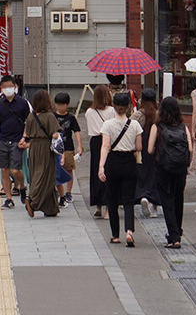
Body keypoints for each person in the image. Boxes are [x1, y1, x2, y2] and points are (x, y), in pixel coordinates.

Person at [98, 91, 143, 246]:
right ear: (128, 107)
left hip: (113, 162)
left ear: (114, 107)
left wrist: (101, 166)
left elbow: (105, 146)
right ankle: (129, 231)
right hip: (129, 162)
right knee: (129, 199)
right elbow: (139, 147)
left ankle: (115, 235)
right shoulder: (135, 125)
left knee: (112, 199)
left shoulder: (107, 125)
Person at [149, 95, 192, 249]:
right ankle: (177, 233)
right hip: (180, 169)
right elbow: (191, 148)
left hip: (163, 168)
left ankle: (173, 237)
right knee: (178, 200)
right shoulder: (183, 126)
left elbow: (149, 149)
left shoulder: (157, 127)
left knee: (167, 202)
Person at [0, 75, 32, 209]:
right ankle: (9, 199)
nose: (7, 89)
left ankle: (22, 186)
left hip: (17, 140)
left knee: (15, 170)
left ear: (15, 87)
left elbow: (29, 121)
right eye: (4, 87)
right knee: (4, 170)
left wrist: (24, 136)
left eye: (9, 87)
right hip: (2, 140)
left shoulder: (23, 103)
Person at [19, 89, 61, 218]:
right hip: (45, 147)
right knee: (46, 176)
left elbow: (28, 133)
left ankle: (50, 208)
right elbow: (54, 133)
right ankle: (33, 202)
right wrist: (57, 135)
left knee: (36, 173)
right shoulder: (49, 116)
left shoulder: (31, 116)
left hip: (33, 147)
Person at [85, 85, 118, 218]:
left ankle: (98, 205)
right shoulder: (112, 111)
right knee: (108, 173)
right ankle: (107, 209)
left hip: (95, 141)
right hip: (108, 141)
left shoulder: (89, 112)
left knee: (95, 172)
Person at [136, 88, 162, 217]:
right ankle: (155, 207)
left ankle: (143, 196)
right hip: (156, 148)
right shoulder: (158, 114)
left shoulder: (138, 115)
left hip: (141, 147)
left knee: (142, 174)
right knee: (155, 175)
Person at [53, 92, 82, 205]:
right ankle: (57, 191)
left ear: (67, 104)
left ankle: (68, 192)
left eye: (62, 104)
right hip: (55, 148)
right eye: (58, 104)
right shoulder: (52, 116)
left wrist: (79, 146)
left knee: (69, 169)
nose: (60, 107)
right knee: (56, 170)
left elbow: (77, 132)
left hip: (68, 147)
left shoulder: (71, 118)